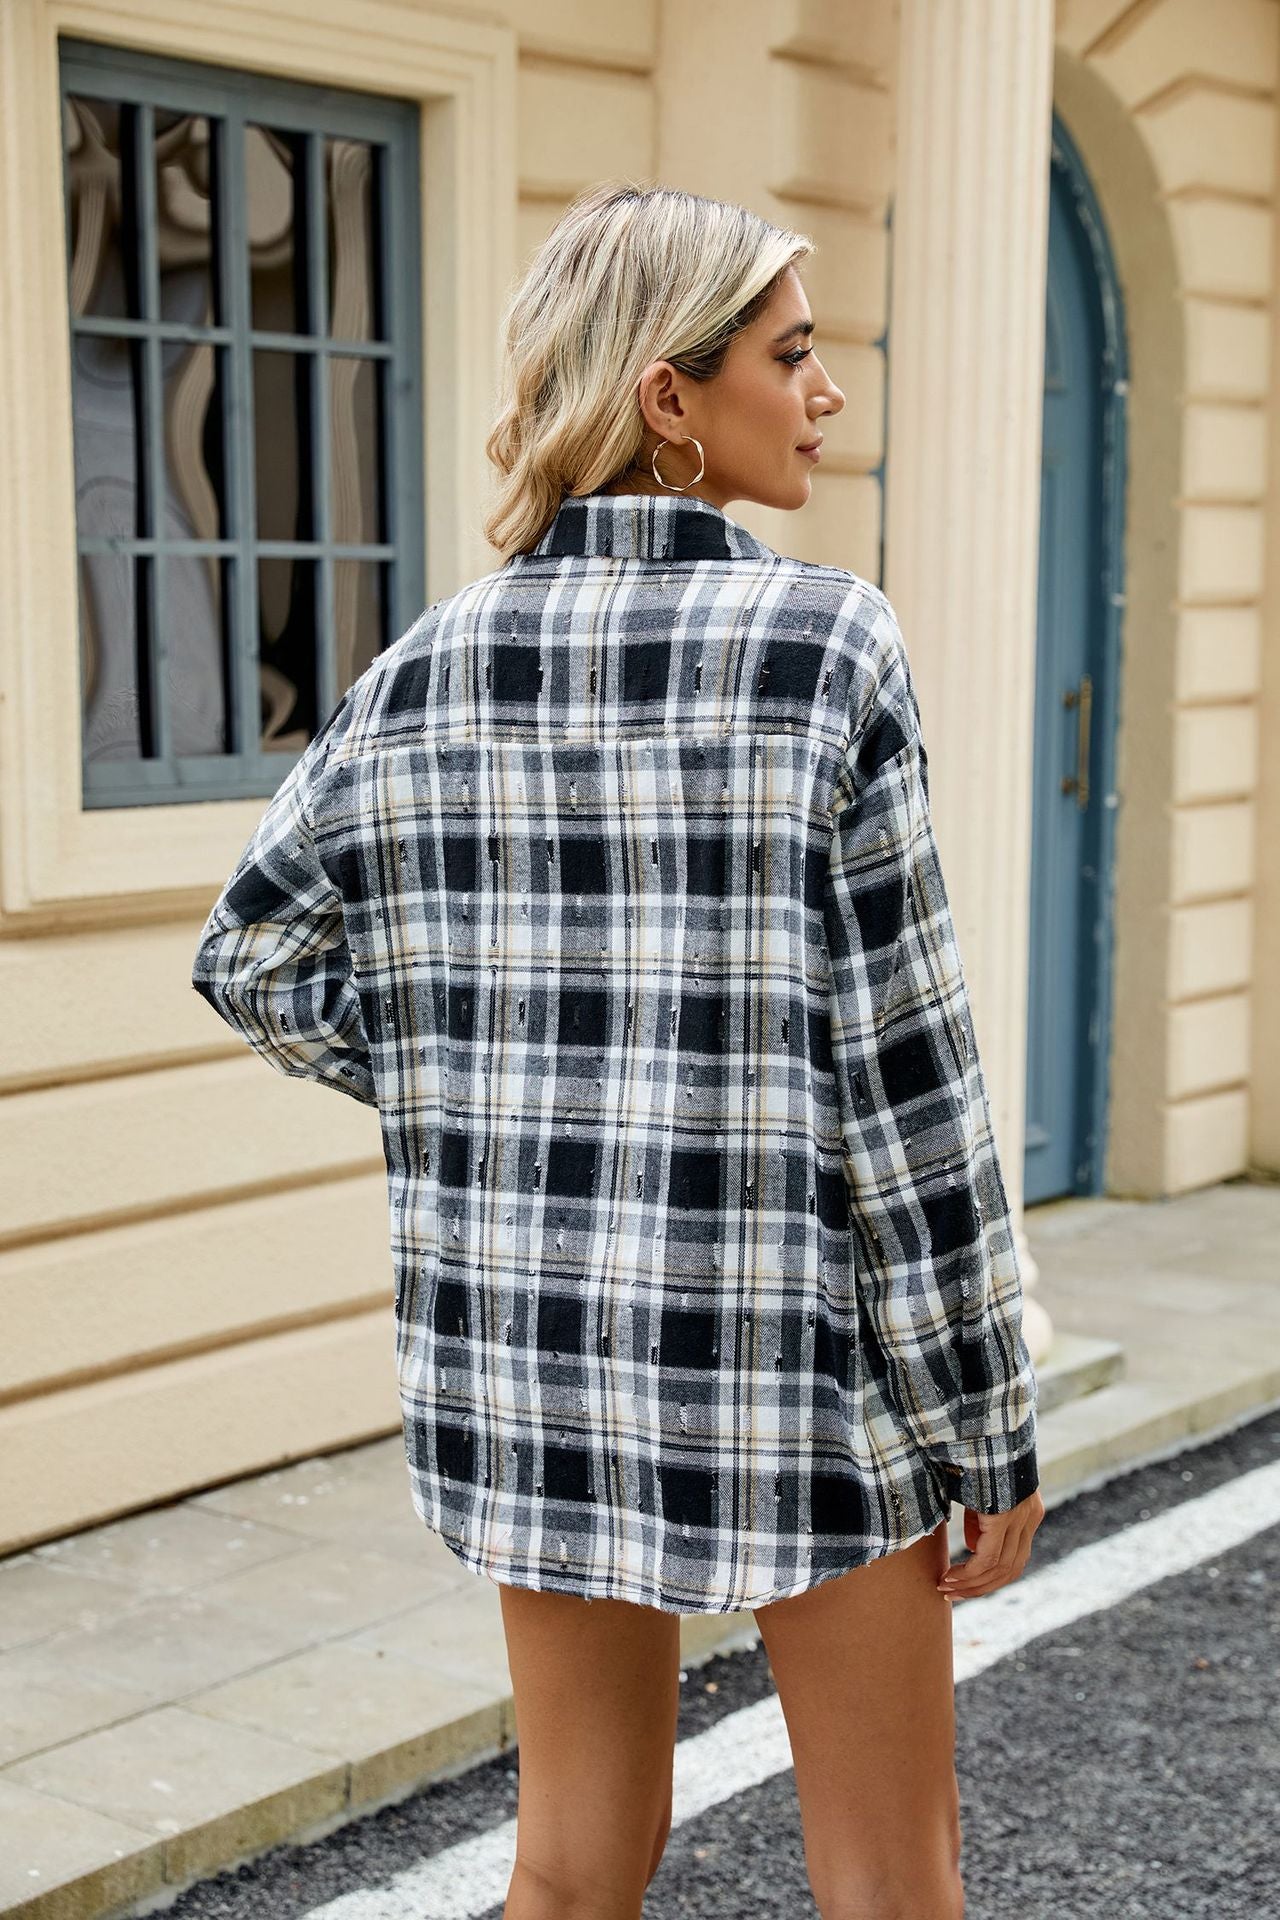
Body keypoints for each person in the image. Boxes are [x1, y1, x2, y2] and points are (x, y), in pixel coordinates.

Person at [192, 180, 1044, 1920]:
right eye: (791, 355)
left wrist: (478, 1082)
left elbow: (252, 955)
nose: (825, 391)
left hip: (532, 1359)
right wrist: (985, 1409)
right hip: (797, 1362)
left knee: (572, 1866)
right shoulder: (825, 644)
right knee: (894, 1879)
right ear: (670, 395)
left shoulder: (424, 668)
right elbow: (907, 1084)